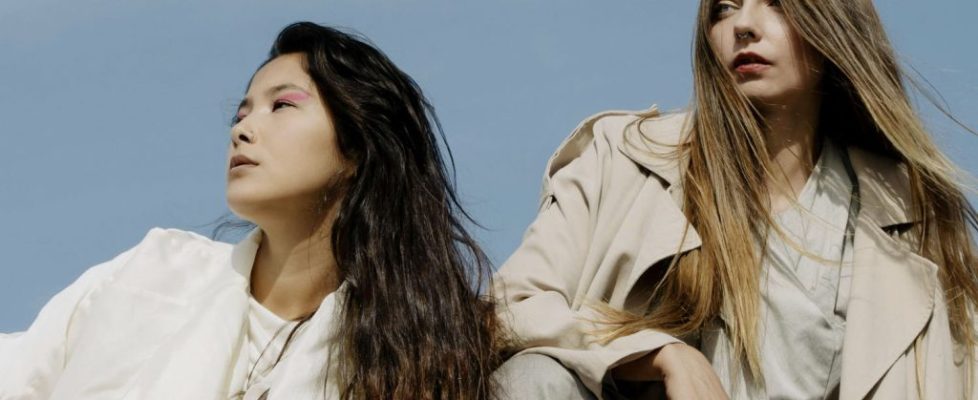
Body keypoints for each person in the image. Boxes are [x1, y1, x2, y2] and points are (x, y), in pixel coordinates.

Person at [493, 0, 978, 399]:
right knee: (534, 377)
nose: (743, 25)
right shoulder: (623, 159)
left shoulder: (911, 213)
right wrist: (659, 354)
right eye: (724, 9)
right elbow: (509, 308)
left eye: (776, 4)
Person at [0, 22, 501, 400]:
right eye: (241, 114)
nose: (241, 130)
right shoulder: (152, 274)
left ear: (358, 148)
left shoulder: (414, 354)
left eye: (282, 106)